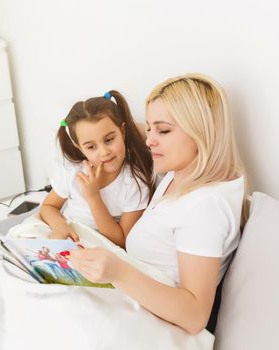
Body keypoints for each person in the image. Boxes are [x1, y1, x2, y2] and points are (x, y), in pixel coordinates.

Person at [68, 73, 247, 335]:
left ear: (202, 131)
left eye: (162, 130)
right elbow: (129, 128)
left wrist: (116, 271)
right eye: (150, 128)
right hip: (129, 298)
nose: (150, 139)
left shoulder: (205, 208)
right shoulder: (183, 171)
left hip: (148, 324)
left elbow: (195, 315)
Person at [40, 90, 155, 247]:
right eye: (91, 147)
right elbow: (48, 206)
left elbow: (121, 241)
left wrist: (93, 197)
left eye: (109, 140)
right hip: (67, 235)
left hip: (101, 247)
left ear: (122, 131)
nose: (104, 152)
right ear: (79, 147)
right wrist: (60, 227)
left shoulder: (135, 182)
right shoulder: (73, 171)